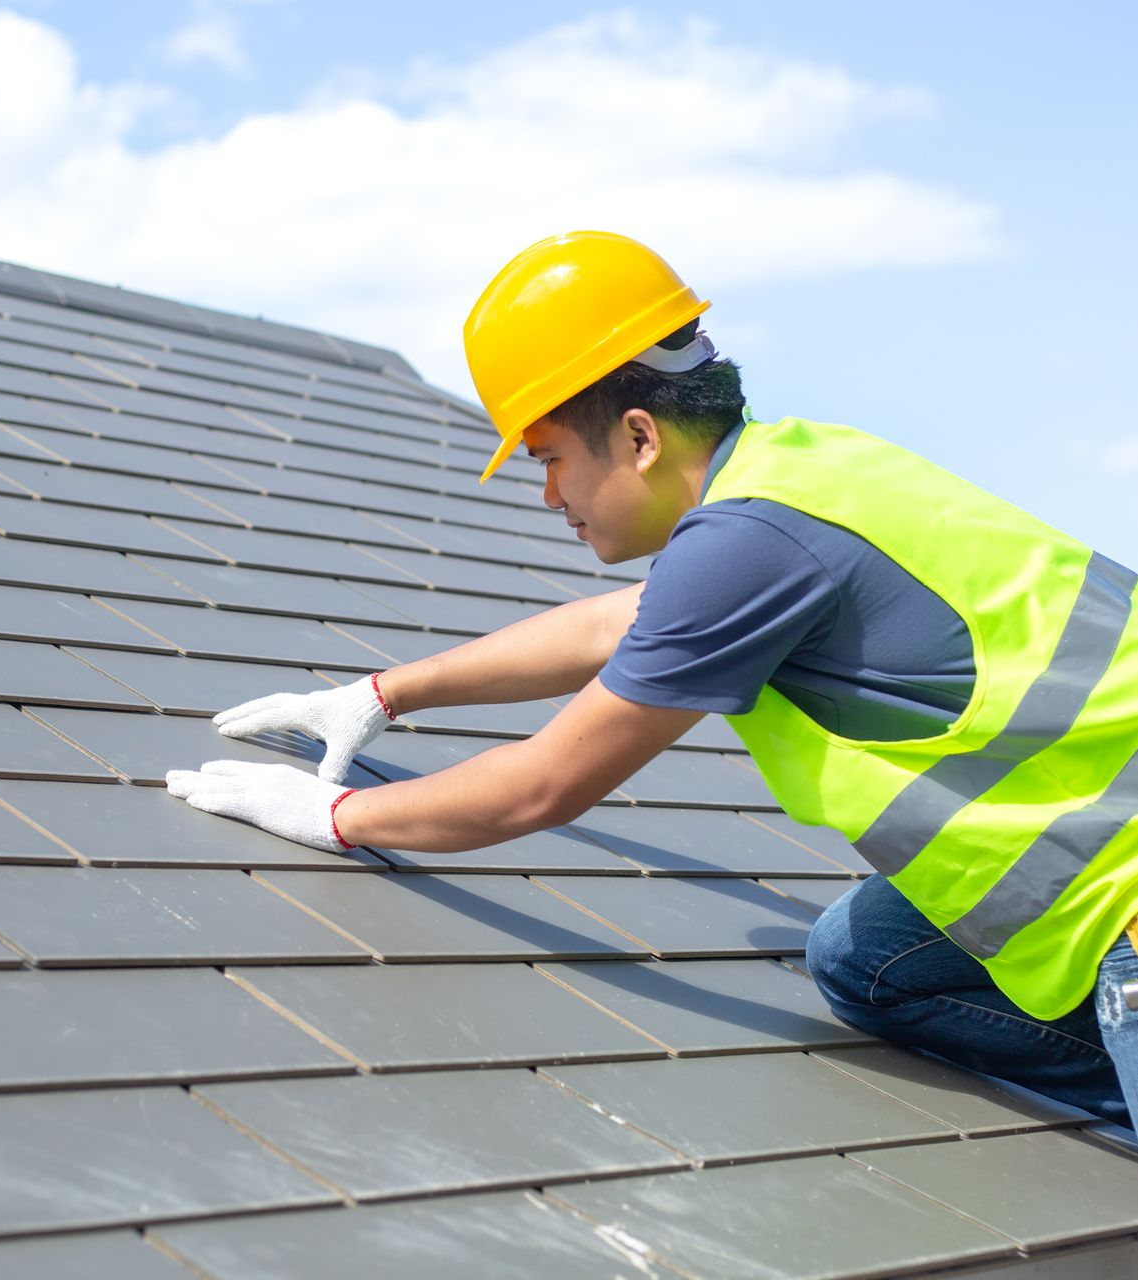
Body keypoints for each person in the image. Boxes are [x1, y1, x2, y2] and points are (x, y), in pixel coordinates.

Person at [165, 231, 1138, 1127]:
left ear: (636, 436)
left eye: (547, 457)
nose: (546, 493)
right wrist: (384, 694)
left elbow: (547, 783)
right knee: (865, 957)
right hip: (1102, 849)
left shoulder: (748, 543)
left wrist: (330, 818)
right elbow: (610, 625)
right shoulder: (794, 474)